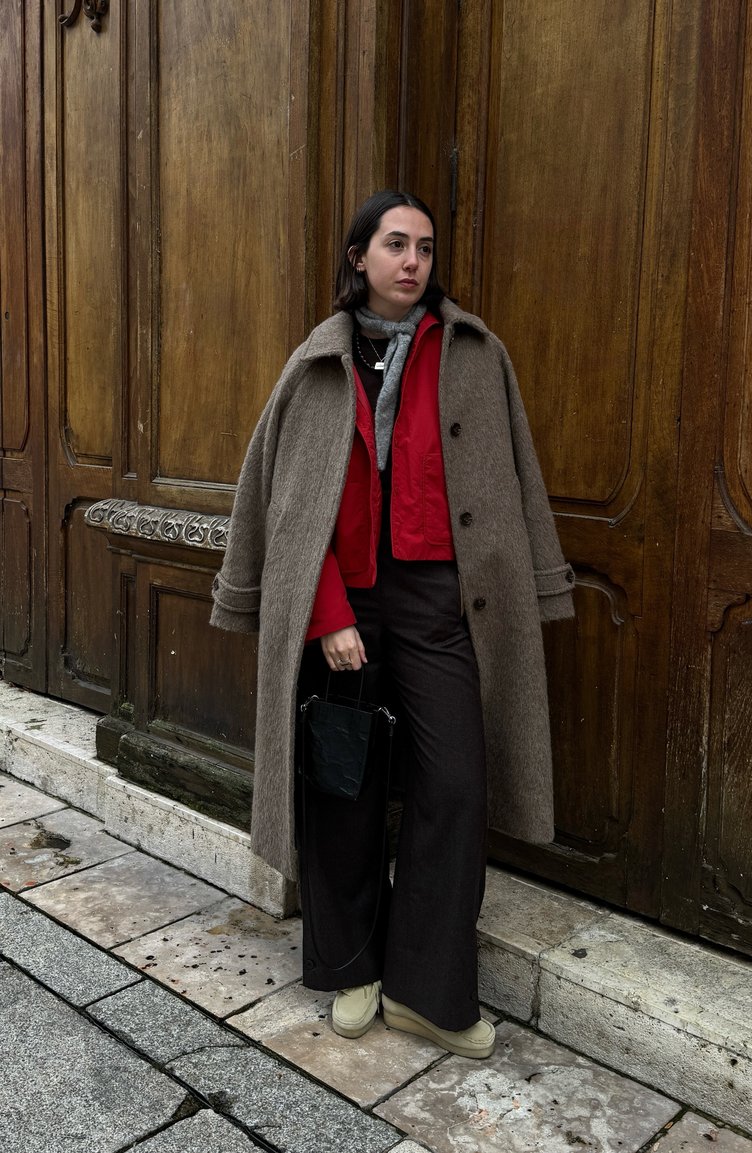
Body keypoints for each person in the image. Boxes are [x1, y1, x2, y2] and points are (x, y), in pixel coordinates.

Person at [210, 189, 575, 1060]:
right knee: (346, 786)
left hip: (441, 603)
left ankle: (428, 990)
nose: (413, 261)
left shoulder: (476, 354)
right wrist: (328, 612)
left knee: (454, 784)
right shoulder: (319, 360)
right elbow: (287, 501)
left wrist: (527, 585)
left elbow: (513, 473)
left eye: (425, 247)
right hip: (347, 601)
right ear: (358, 258)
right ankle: (350, 968)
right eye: (396, 245)